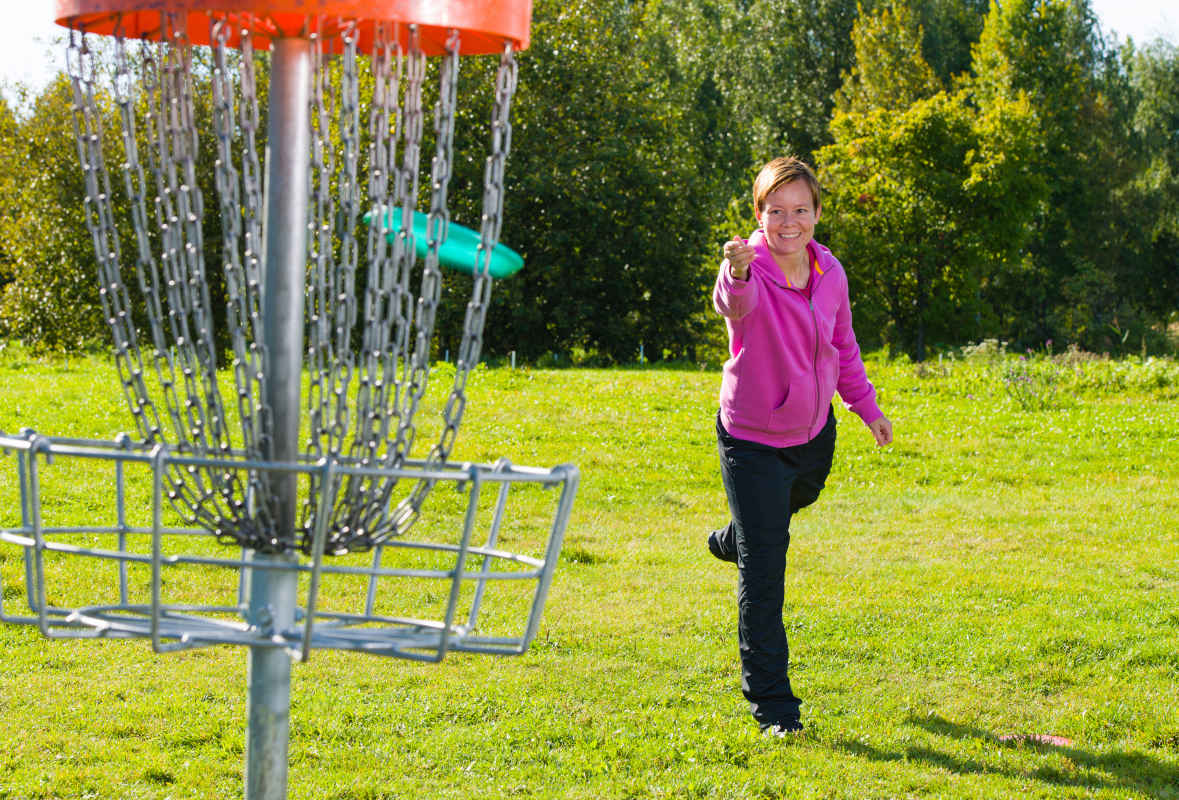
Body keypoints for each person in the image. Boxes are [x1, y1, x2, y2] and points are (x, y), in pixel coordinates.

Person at [709, 156, 892, 737]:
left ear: (816, 212)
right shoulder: (749, 268)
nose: (790, 222)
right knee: (765, 573)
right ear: (758, 215)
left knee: (790, 506)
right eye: (776, 211)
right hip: (753, 440)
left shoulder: (829, 270)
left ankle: (738, 535)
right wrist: (735, 273)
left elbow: (843, 344)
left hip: (813, 436)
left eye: (801, 210)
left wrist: (867, 407)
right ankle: (775, 708)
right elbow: (734, 308)